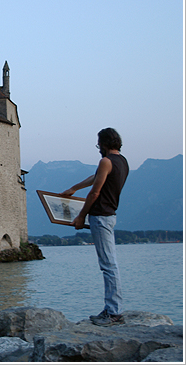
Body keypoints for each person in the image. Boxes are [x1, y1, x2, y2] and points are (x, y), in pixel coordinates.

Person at [61, 127, 129, 327]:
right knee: (109, 264)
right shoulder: (121, 161)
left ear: (104, 144)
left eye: (99, 143)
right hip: (110, 216)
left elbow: (95, 192)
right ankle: (111, 309)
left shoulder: (105, 161)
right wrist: (74, 188)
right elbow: (96, 176)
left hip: (100, 217)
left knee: (108, 265)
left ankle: (114, 312)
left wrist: (81, 216)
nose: (98, 147)